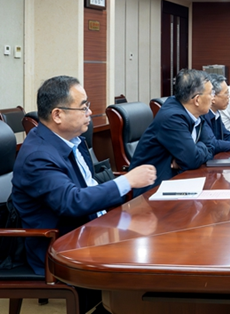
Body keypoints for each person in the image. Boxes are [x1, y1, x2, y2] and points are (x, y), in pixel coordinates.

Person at [12, 76, 156, 278]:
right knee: (146, 262)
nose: (89, 112)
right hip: (62, 248)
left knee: (153, 240)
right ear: (57, 115)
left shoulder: (73, 141)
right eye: (83, 107)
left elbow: (89, 186)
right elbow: (72, 201)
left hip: (91, 229)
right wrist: (127, 181)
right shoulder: (38, 157)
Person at [129, 69, 216, 196]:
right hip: (154, 190)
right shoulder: (172, 117)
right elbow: (192, 159)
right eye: (211, 93)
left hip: (178, 180)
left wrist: (187, 157)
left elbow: (212, 145)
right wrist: (196, 152)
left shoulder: (195, 112)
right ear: (197, 100)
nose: (213, 98)